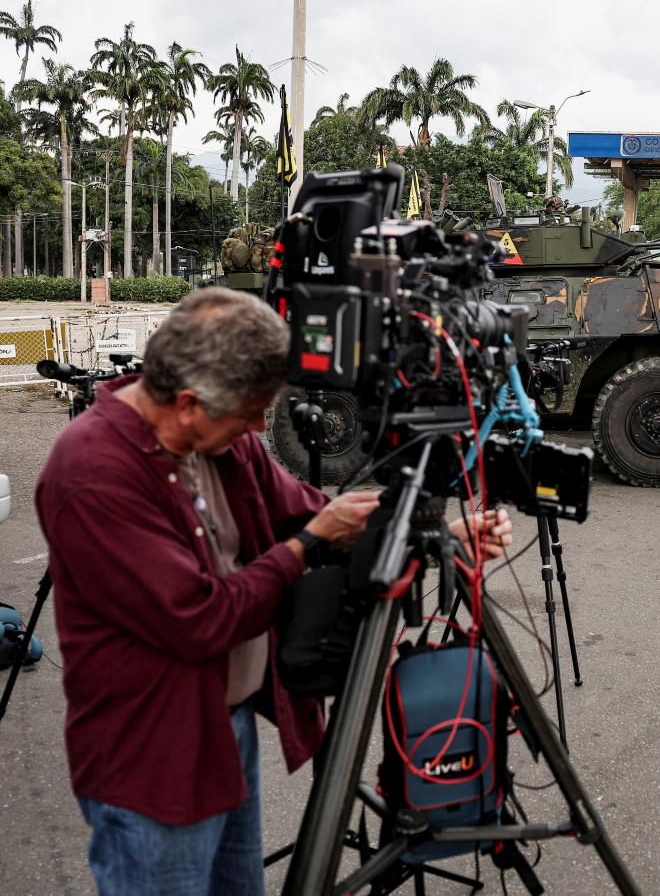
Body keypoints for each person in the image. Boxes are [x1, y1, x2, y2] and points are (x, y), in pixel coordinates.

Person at [35, 288, 513, 896]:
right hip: (150, 759)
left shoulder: (216, 437)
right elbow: (200, 618)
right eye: (250, 414)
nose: (261, 427)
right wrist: (307, 547)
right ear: (187, 403)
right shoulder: (94, 473)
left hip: (222, 729)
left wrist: (435, 535)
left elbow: (310, 511)